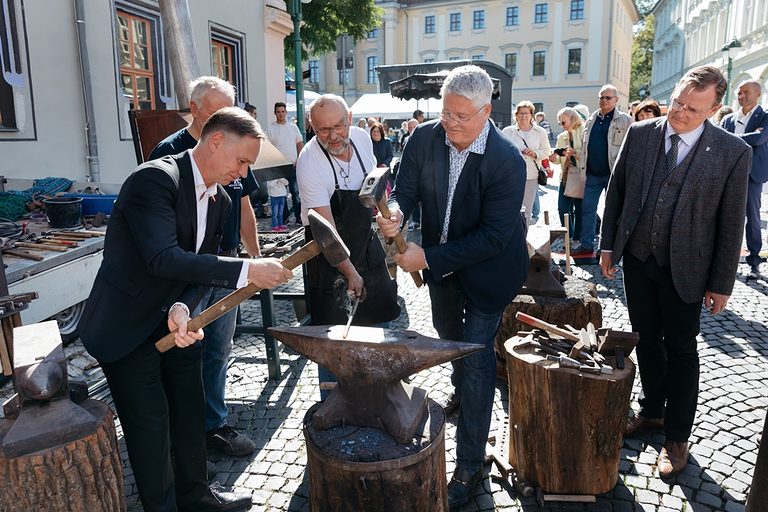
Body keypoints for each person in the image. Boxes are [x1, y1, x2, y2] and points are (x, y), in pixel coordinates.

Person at [80, 107, 294, 512]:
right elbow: (163, 258)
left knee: (189, 412)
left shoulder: (223, 202)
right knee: (150, 429)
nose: (246, 173)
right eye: (242, 160)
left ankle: (197, 497)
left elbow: (200, 276)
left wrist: (183, 307)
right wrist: (247, 268)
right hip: (127, 328)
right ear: (216, 141)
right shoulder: (155, 179)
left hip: (179, 325)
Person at [377, 65, 528, 510]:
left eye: (462, 117)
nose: (451, 123)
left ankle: (468, 464)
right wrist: (398, 215)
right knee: (448, 341)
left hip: (489, 274)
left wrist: (426, 257)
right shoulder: (424, 137)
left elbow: (493, 238)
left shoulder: (507, 160)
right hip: (443, 270)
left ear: (486, 112)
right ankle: (463, 393)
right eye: (446, 114)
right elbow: (403, 190)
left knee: (477, 358)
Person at [600, 66, 751, 478]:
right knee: (645, 339)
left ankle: (677, 438)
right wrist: (609, 244)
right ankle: (652, 412)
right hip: (639, 258)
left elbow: (730, 222)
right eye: (678, 102)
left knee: (681, 349)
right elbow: (618, 189)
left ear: (714, 109)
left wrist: (722, 283)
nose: (680, 113)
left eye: (692, 108)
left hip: (688, 267)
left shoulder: (733, 152)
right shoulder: (642, 132)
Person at [149, 76, 261, 459]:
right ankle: (181, 435)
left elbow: (243, 204)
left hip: (226, 265)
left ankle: (214, 424)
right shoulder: (169, 154)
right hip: (186, 275)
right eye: (218, 112)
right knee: (183, 352)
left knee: (218, 349)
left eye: (232, 110)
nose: (227, 118)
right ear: (194, 110)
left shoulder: (236, 151)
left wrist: (253, 257)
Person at [297, 94, 401, 398]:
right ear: (312, 128)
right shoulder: (310, 162)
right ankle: (334, 404)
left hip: (366, 245)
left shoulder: (360, 140)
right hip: (328, 256)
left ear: (351, 119)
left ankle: (382, 396)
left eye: (338, 126)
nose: (333, 136)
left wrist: (390, 213)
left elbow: (378, 187)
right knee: (333, 342)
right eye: (323, 130)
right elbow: (326, 232)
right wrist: (350, 273)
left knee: (381, 321)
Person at [573, 84, 632, 255]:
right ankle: (586, 244)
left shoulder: (625, 120)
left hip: (613, 174)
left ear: (616, 100)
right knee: (587, 209)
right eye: (601, 97)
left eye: (608, 98)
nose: (604, 100)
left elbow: (631, 148)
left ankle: (607, 247)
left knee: (612, 211)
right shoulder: (591, 119)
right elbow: (585, 148)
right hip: (592, 174)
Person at [719, 79, 768, 278]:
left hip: (752, 175)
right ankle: (723, 259)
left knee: (753, 218)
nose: (741, 96)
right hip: (727, 173)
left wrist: (731, 139)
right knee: (725, 216)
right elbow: (719, 140)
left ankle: (754, 261)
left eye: (746, 92)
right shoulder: (728, 119)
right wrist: (748, 137)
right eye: (739, 93)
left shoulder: (765, 117)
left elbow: (759, 139)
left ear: (758, 94)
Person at [503, 101, 552, 225]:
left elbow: (547, 151)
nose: (523, 116)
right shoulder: (508, 131)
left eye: (526, 113)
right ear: (516, 115)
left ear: (531, 115)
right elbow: (501, 151)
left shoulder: (540, 132)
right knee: (509, 208)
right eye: (520, 113)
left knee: (526, 211)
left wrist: (535, 153)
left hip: (531, 175)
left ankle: (523, 238)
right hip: (511, 176)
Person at [550, 107, 584, 242]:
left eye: (563, 123)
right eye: (559, 123)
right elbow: (559, 159)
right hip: (565, 176)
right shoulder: (561, 136)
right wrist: (554, 158)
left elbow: (589, 154)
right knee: (562, 208)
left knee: (579, 209)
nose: (561, 125)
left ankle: (577, 238)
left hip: (580, 175)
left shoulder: (584, 131)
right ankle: (567, 235)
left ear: (572, 119)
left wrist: (574, 153)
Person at [267, 102, 304, 225]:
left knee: (295, 192)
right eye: (278, 112)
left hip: (293, 164)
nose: (281, 114)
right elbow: (269, 147)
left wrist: (299, 159)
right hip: (279, 166)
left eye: (283, 111)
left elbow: (299, 143)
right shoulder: (271, 128)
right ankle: (285, 217)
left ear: (286, 112)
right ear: (275, 113)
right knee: (280, 194)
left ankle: (299, 217)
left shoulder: (293, 127)